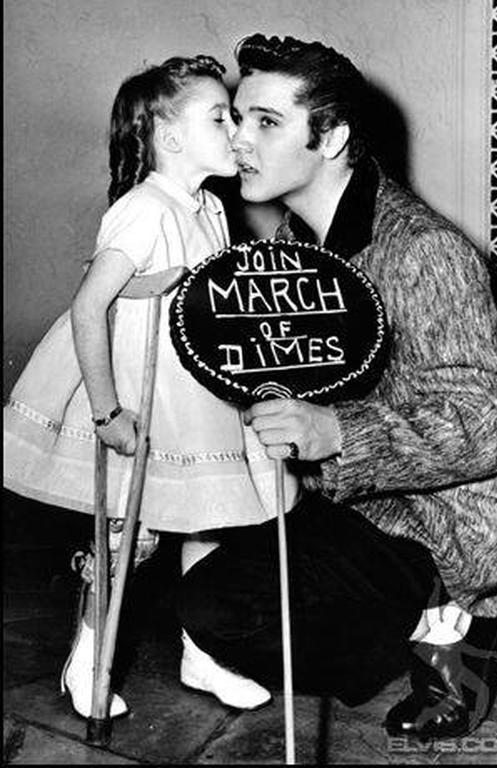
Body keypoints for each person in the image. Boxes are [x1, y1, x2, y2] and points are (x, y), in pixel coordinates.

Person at [177, 34, 497, 740]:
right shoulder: (287, 248)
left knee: (243, 609)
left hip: (442, 522)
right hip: (353, 503)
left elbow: (490, 424)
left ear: (331, 136)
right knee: (212, 605)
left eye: (266, 123)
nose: (241, 140)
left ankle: (476, 618)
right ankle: (398, 637)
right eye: (238, 119)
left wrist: (340, 433)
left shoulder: (422, 249)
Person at [3, 54, 301, 718]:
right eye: (219, 117)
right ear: (169, 137)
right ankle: (88, 659)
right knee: (125, 538)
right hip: (140, 391)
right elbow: (89, 307)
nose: (235, 130)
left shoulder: (213, 210)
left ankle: (203, 652)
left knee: (213, 520)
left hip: (198, 394)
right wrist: (108, 410)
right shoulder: (144, 209)